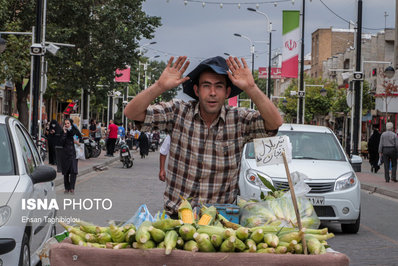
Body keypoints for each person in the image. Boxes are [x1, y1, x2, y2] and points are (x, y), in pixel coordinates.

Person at [124, 56, 282, 217]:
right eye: (206, 86)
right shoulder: (178, 112)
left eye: (219, 86)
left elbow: (274, 123)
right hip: (177, 218)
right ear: (197, 91)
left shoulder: (239, 120)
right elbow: (132, 112)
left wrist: (251, 88)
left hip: (220, 221)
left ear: (227, 92)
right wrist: (159, 86)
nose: (212, 93)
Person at [60, 118, 82, 194]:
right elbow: (61, 142)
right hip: (65, 154)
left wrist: (77, 142)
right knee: (66, 172)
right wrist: (64, 133)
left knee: (73, 171)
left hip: (73, 153)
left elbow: (80, 141)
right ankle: (66, 188)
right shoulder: (63, 132)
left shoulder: (75, 131)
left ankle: (72, 188)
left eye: (68, 123)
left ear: (71, 124)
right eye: (65, 123)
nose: (66, 125)